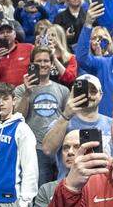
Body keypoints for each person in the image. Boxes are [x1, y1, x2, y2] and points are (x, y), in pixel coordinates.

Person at [15, 46, 71, 182]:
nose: (42, 64)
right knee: (40, 193)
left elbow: (68, 118)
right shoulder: (21, 89)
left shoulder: (63, 90)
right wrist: (27, 94)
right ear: (32, 64)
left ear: (52, 64)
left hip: (59, 148)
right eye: (38, 61)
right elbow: (18, 117)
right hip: (34, 149)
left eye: (46, 61)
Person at [0, 20, 34, 85]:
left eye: (8, 32)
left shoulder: (28, 48)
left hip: (24, 92)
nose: (5, 35)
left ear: (15, 34)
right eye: (2, 32)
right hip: (1, 93)